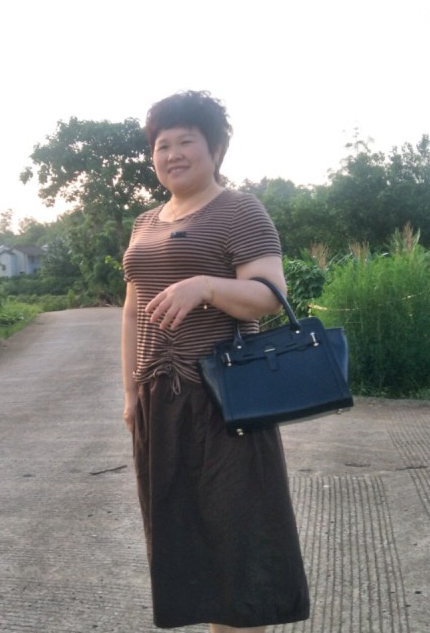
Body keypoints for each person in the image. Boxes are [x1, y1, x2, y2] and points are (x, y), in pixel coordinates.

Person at [121, 91, 310, 631]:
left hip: (225, 399)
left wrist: (204, 286)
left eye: (186, 141)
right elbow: (132, 310)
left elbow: (270, 296)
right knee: (188, 544)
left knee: (240, 546)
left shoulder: (239, 210)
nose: (173, 154)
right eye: (163, 144)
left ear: (216, 148)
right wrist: (131, 393)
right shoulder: (145, 222)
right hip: (160, 401)